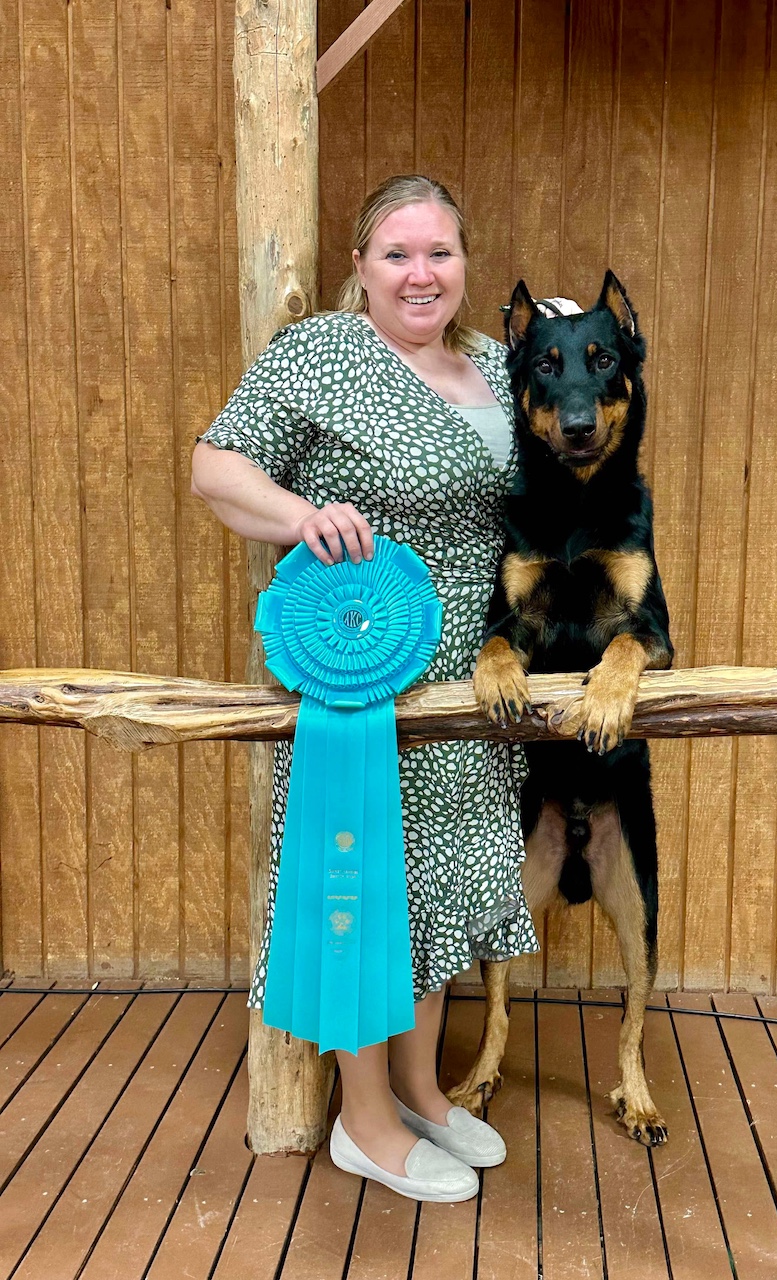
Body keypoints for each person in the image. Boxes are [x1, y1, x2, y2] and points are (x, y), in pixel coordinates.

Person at [191, 174, 539, 1203]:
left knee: (445, 886)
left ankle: (421, 1090)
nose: (420, 274)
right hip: (364, 683)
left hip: (478, 679)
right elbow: (214, 468)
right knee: (370, 888)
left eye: (440, 252)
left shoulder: (495, 362)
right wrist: (302, 518)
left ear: (466, 263)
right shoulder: (323, 355)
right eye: (397, 254)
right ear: (360, 265)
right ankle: (365, 1119)